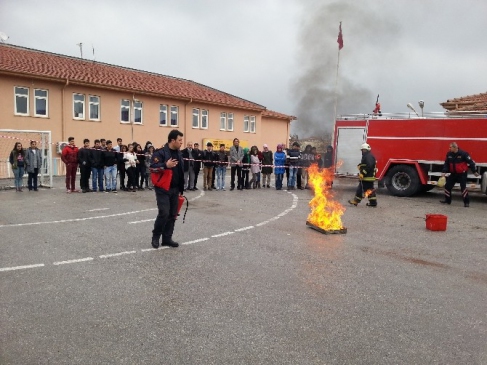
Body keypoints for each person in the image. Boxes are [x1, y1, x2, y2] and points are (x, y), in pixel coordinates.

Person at [150, 129, 185, 249]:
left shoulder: (179, 153)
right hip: (163, 188)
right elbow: (152, 168)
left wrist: (181, 187)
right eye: (179, 140)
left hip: (175, 189)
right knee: (164, 213)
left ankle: (167, 238)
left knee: (172, 214)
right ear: (172, 140)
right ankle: (155, 237)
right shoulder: (160, 153)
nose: (181, 143)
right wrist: (165, 165)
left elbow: (180, 171)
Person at [440, 142, 479, 207]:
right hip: (453, 174)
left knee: (463, 188)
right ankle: (447, 200)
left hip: (462, 174)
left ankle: (466, 202)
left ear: (455, 148)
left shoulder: (464, 154)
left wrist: (474, 171)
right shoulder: (449, 154)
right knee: (447, 186)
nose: (449, 148)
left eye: (450, 147)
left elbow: (471, 163)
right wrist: (444, 171)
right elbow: (446, 163)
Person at [348, 143, 378, 207]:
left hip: (367, 177)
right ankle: (373, 203)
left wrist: (362, 173)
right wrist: (360, 165)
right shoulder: (368, 156)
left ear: (367, 150)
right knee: (369, 190)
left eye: (363, 150)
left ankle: (356, 201)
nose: (362, 151)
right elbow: (366, 164)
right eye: (362, 150)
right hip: (369, 177)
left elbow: (369, 166)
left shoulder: (368, 156)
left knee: (360, 189)